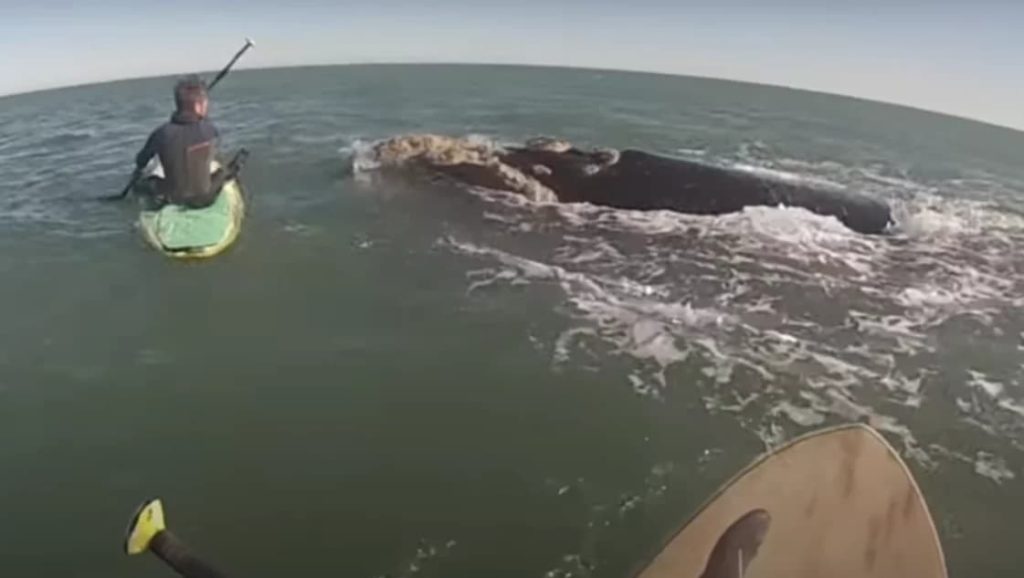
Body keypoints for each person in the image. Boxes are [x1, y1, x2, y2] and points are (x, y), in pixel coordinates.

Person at [134, 75, 237, 209]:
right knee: (224, 170)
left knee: (143, 183)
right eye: (205, 103)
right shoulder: (210, 130)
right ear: (198, 106)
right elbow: (211, 139)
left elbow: (141, 161)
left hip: (173, 198)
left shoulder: (161, 133)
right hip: (207, 197)